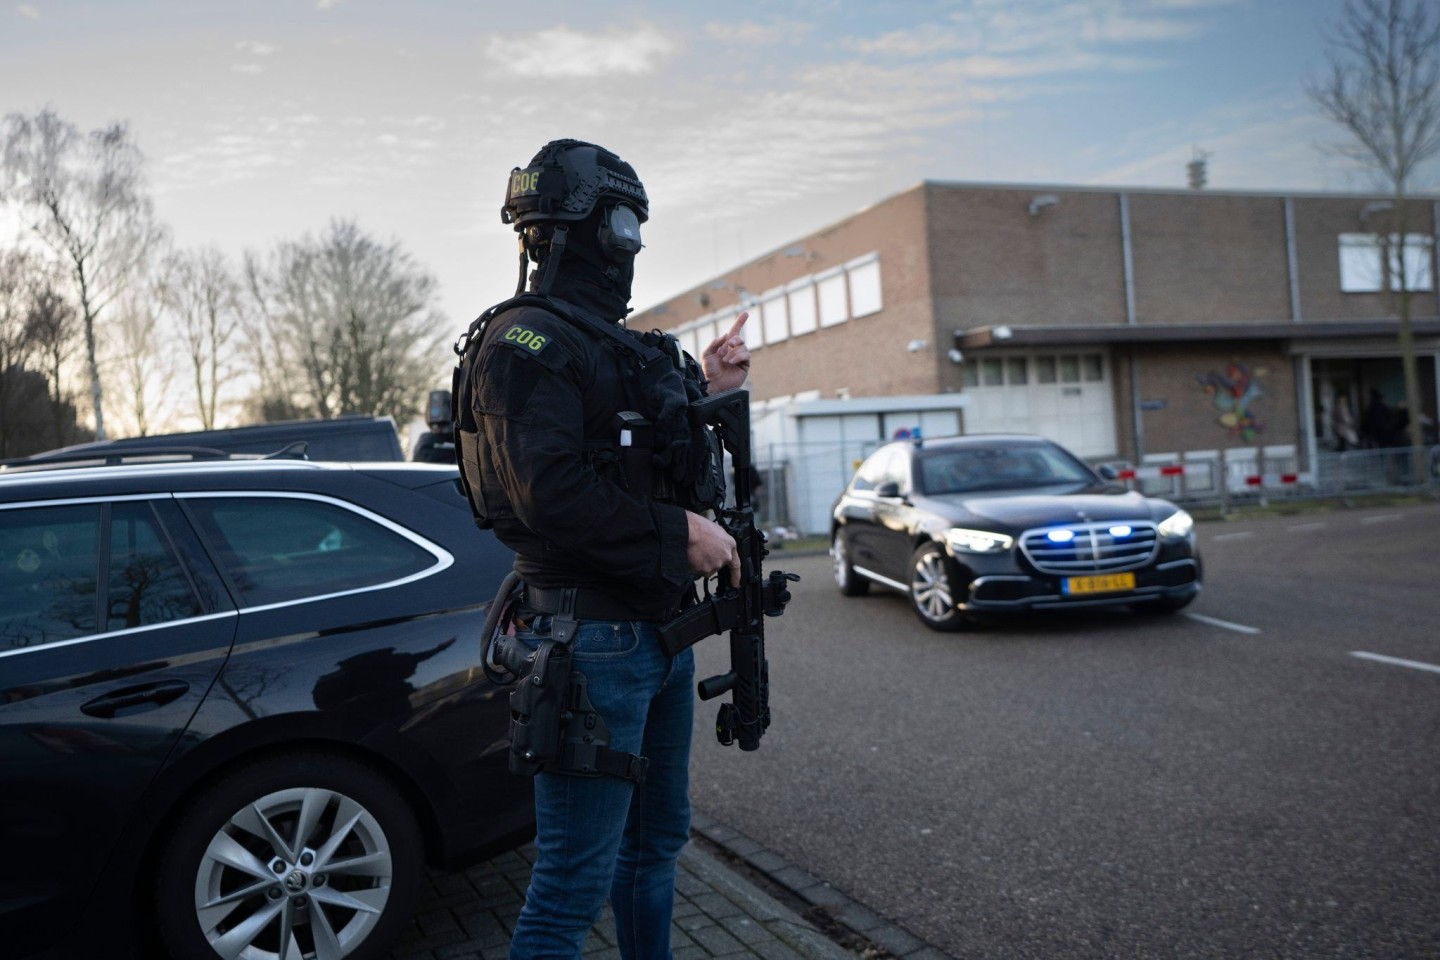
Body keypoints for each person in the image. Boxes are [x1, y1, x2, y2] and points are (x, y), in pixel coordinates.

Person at [454, 139, 752, 959]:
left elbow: (653, 459)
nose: (633, 246)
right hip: (590, 648)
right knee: (570, 884)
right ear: (572, 224)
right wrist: (675, 535)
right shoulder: (525, 345)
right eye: (622, 222)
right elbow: (544, 491)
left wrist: (716, 390)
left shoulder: (609, 345)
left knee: (655, 848)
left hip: (658, 637)